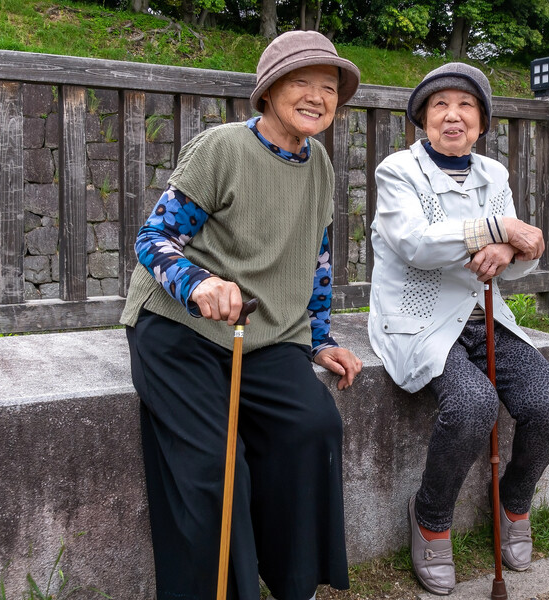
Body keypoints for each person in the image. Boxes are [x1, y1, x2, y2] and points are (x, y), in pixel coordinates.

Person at [121, 30, 363, 600]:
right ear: (270, 89)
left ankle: (292, 581)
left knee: (314, 426)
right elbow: (152, 237)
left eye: (327, 88)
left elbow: (317, 260)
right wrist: (198, 281)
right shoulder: (223, 147)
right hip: (180, 329)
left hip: (263, 334)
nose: (316, 97)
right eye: (301, 81)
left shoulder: (320, 164)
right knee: (215, 469)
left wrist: (318, 340)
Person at [367, 63, 549, 596]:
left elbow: (514, 255)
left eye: (465, 107)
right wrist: (496, 229)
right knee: (474, 403)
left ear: (481, 122)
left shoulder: (493, 175)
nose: (452, 116)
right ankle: (431, 517)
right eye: (439, 106)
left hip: (484, 314)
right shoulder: (397, 171)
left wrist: (511, 247)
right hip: (421, 319)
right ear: (422, 120)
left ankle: (514, 500)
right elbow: (415, 244)